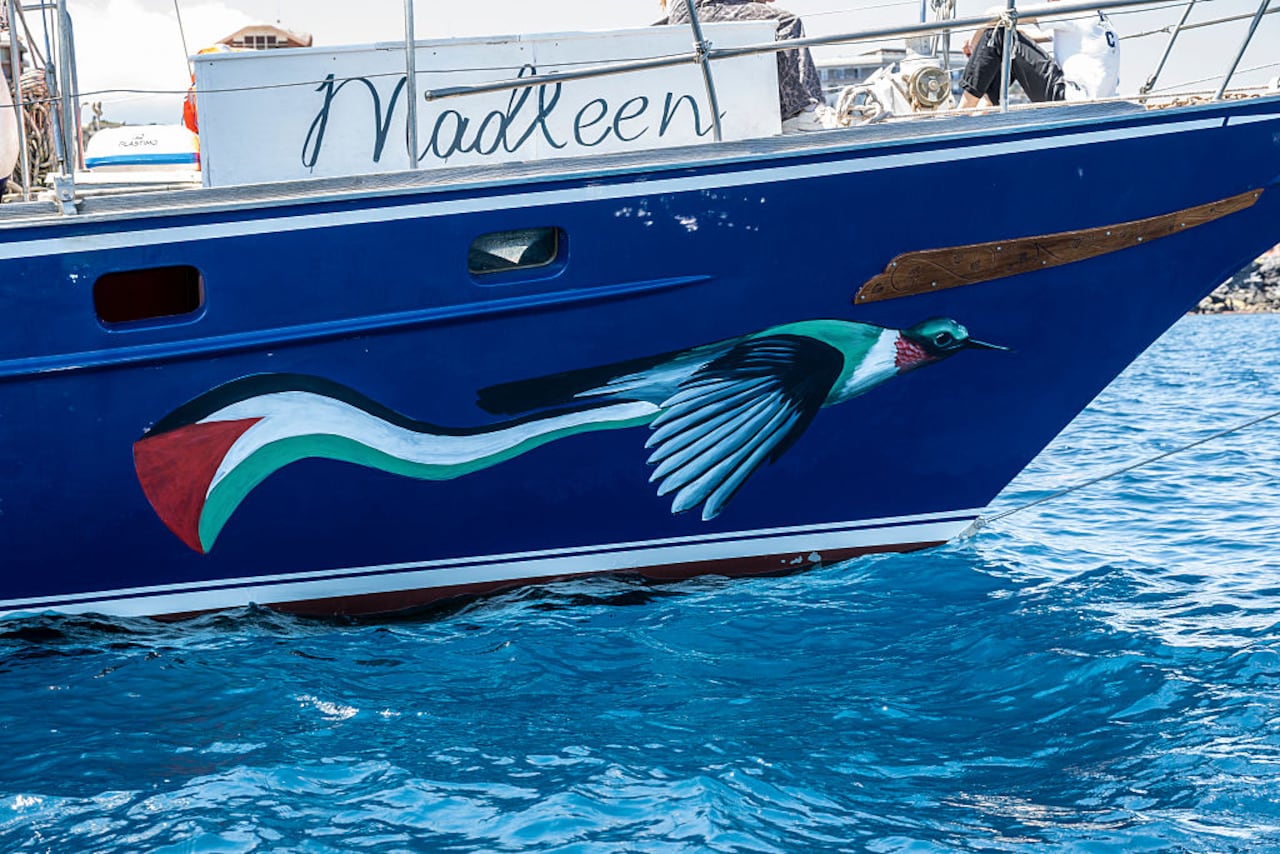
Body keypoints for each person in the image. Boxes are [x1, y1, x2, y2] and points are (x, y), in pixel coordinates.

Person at [661, 0, 836, 131]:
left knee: (767, 26)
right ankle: (805, 111)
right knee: (786, 23)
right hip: (701, 9)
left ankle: (791, 115)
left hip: (691, 11)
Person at [958, 3, 1118, 108]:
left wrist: (974, 44)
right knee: (1007, 39)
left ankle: (964, 110)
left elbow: (995, 14)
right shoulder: (1093, 14)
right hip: (1097, 102)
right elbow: (1027, 36)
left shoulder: (1070, 7)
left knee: (999, 33)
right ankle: (985, 107)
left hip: (1070, 100)